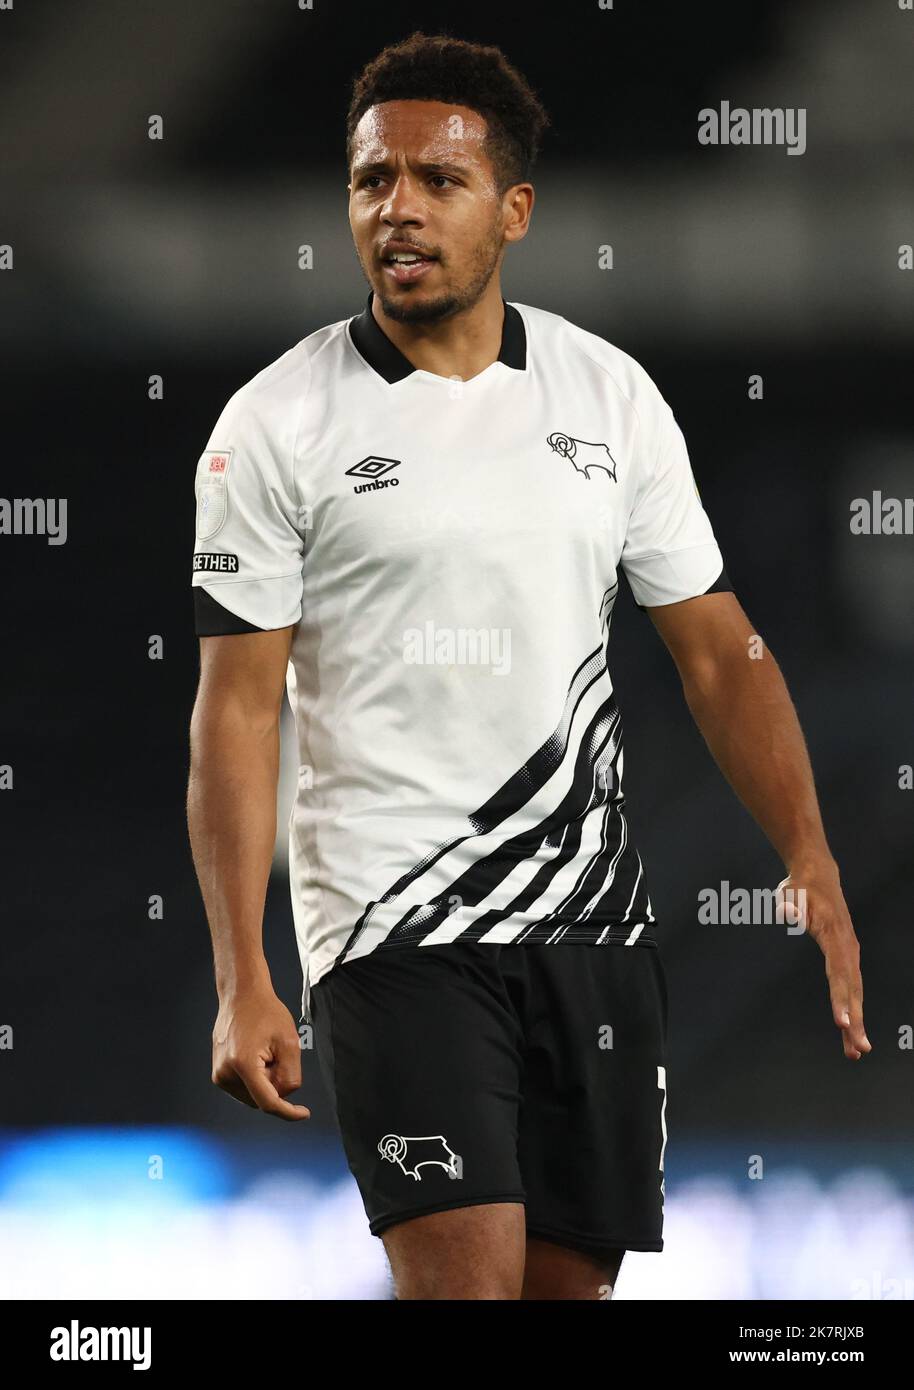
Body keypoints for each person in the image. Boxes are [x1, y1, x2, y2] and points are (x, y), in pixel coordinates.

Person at [187, 31, 869, 1301]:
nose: (395, 207)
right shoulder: (272, 426)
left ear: (513, 211)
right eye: (370, 178)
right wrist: (243, 972)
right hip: (398, 931)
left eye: (434, 182)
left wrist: (809, 850)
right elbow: (234, 714)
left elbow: (719, 652)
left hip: (590, 931)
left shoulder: (608, 399)